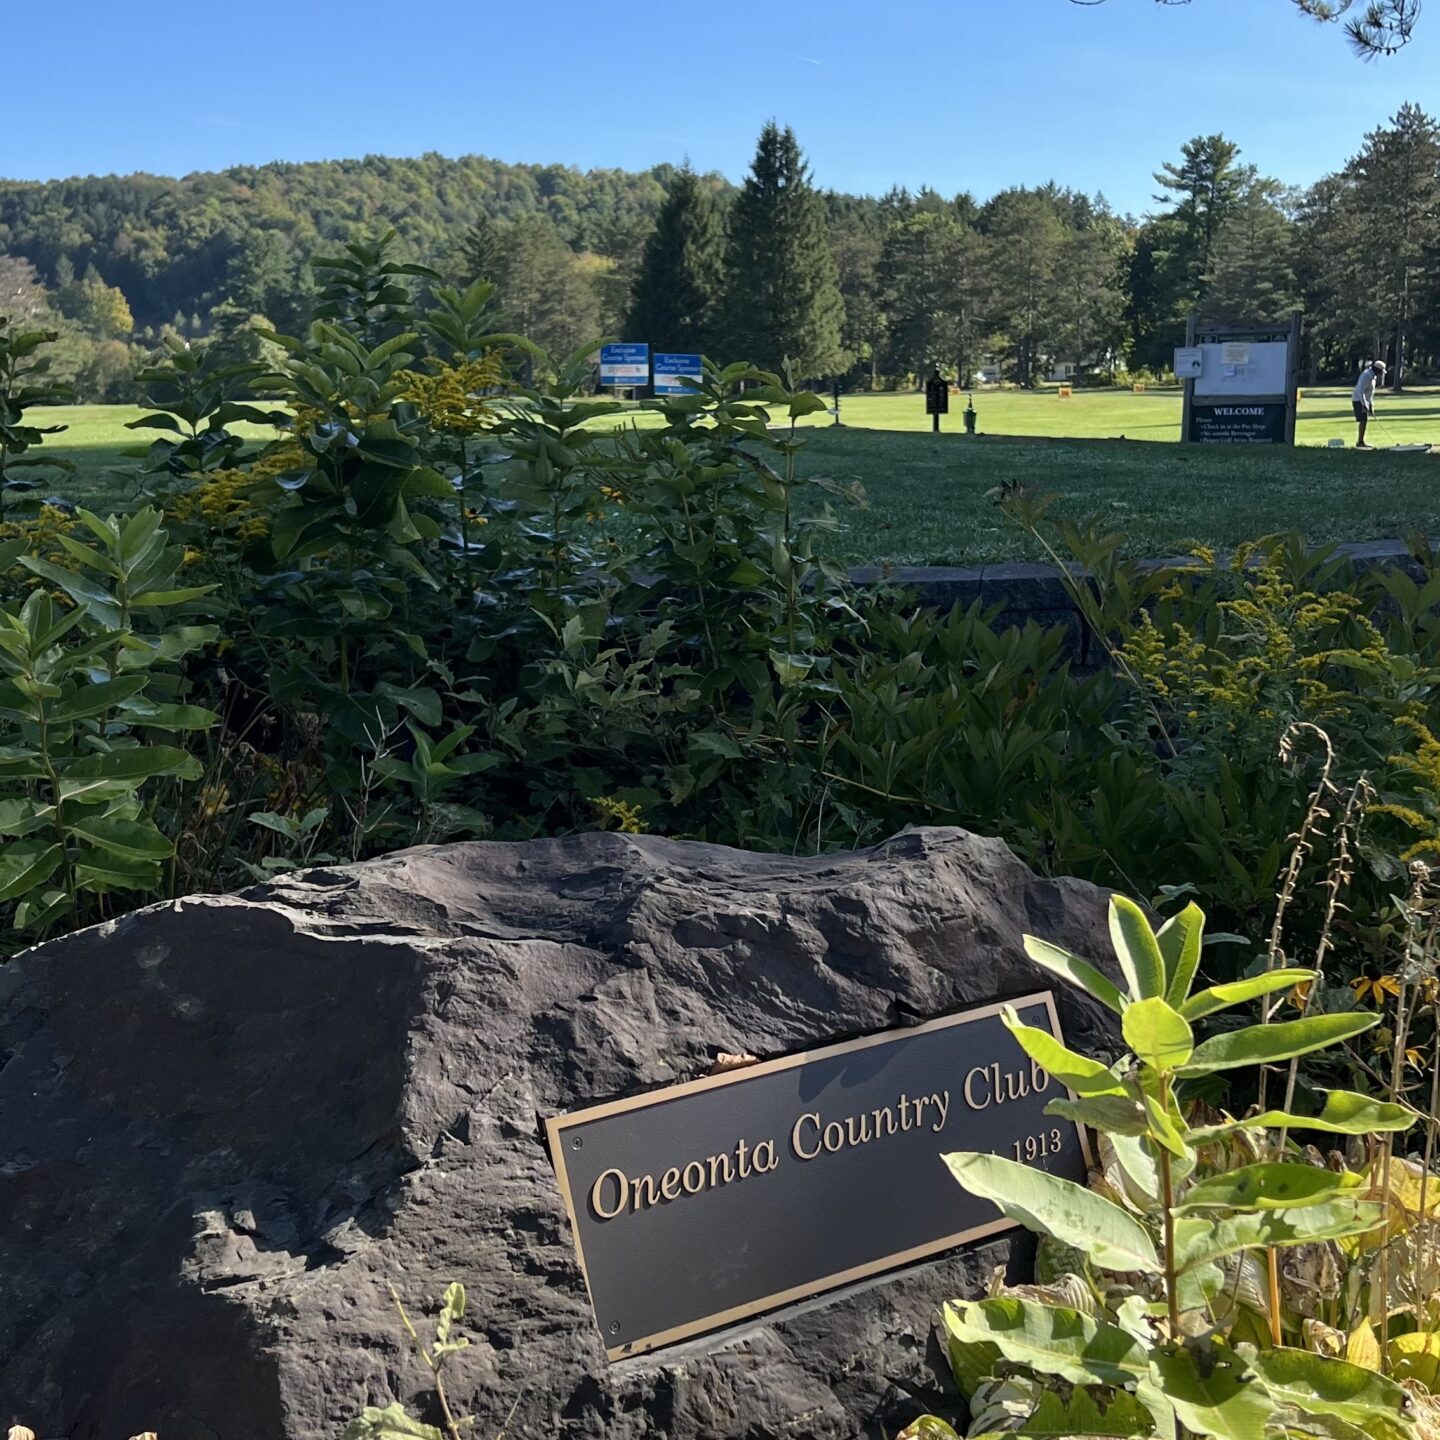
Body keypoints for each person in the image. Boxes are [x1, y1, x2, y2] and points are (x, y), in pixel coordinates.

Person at [1353, 359, 1387, 448]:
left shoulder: (1373, 377)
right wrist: (1364, 404)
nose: (1381, 374)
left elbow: (1370, 393)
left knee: (1364, 420)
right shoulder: (1366, 375)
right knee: (1363, 420)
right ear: (1376, 370)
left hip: (1365, 401)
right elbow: (1361, 390)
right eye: (1380, 371)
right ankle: (1360, 442)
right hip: (1358, 399)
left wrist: (1370, 405)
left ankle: (1360, 441)